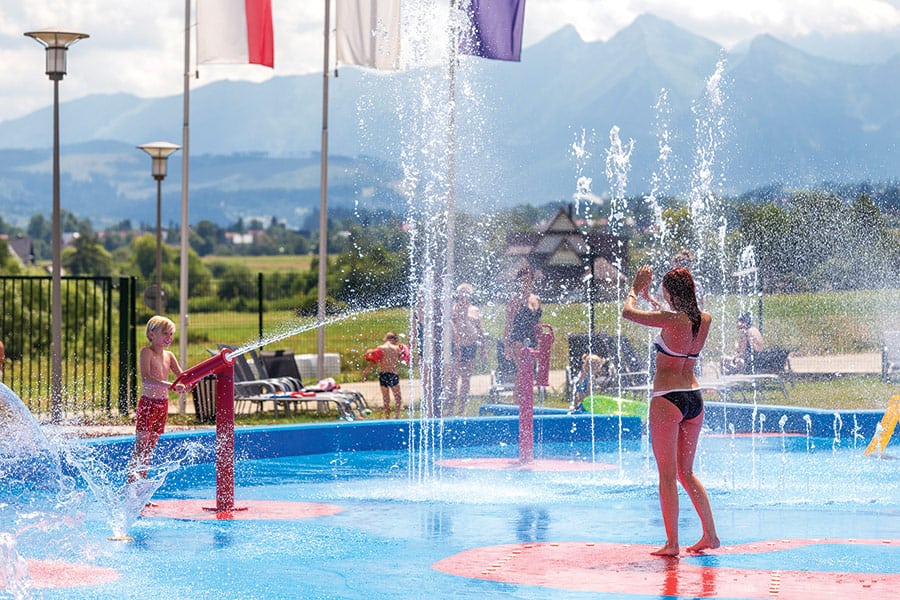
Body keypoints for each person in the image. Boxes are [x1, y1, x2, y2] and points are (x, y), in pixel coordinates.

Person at [623, 265, 719, 556]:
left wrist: (634, 287)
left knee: (667, 474)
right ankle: (710, 535)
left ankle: (672, 543)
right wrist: (650, 297)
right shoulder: (703, 319)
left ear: (671, 292)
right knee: (685, 472)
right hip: (693, 397)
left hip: (667, 399)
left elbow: (628, 312)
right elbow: (672, 320)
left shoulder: (670, 320)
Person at [127, 316, 186, 484]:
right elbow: (146, 378)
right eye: (165, 333)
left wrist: (192, 382)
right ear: (151, 335)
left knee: (149, 450)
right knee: (140, 449)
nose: (169, 338)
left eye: (171, 334)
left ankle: (141, 490)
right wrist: (172, 386)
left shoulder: (169, 355)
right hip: (148, 404)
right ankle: (131, 488)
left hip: (163, 406)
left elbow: (182, 377)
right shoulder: (147, 352)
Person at [448, 283, 486, 416]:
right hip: (457, 347)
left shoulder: (474, 310)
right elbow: (450, 328)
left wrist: (483, 349)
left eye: (467, 295)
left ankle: (462, 408)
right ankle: (451, 407)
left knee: (466, 379)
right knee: (453, 378)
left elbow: (480, 329)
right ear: (458, 296)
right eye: (462, 295)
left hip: (471, 346)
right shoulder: (453, 309)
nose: (465, 298)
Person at [362, 332, 404, 419]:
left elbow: (373, 363)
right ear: (394, 340)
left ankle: (387, 417)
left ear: (385, 338)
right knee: (398, 398)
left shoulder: (380, 348)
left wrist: (364, 373)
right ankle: (397, 416)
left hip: (383, 374)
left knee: (386, 398)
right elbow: (405, 358)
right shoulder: (397, 348)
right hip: (393, 374)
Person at [504, 266, 542, 362]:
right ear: (519, 282)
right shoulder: (515, 300)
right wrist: (506, 346)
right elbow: (508, 324)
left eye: (528, 280)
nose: (526, 283)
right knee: (522, 369)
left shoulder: (536, 299)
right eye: (523, 281)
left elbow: (539, 322)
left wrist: (541, 339)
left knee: (532, 370)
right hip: (518, 338)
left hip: (533, 337)